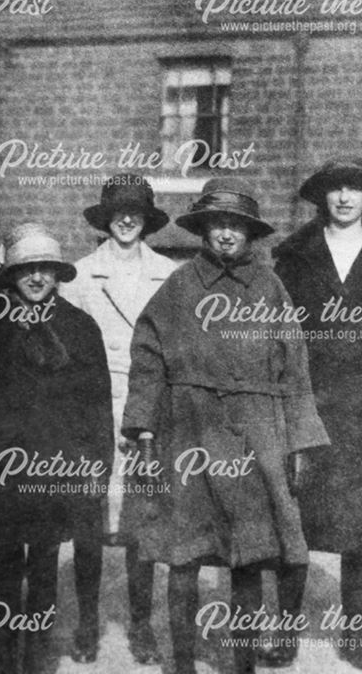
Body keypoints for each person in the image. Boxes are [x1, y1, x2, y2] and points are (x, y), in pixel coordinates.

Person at [122, 178, 329, 674]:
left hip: (256, 433)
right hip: (188, 430)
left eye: (237, 225)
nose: (227, 235)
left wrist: (299, 441)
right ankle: (183, 663)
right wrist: (144, 429)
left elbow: (295, 368)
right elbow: (148, 359)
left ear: (250, 233)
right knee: (184, 555)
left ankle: (241, 663)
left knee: (251, 556)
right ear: (203, 230)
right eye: (218, 224)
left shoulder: (270, 288)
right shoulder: (178, 287)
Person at [271, 158, 362, 673]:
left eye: (354, 189)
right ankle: (285, 631)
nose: (343, 198)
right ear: (321, 197)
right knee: (297, 519)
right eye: (334, 189)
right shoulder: (293, 255)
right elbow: (279, 333)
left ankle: (352, 633)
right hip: (310, 400)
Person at [0, 223, 114, 674]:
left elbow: (96, 404)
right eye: (26, 270)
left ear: (58, 274)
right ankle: (8, 662)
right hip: (5, 467)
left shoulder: (78, 327)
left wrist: (95, 466)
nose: (36, 279)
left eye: (45, 270)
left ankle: (38, 660)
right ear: (11, 274)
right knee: (7, 565)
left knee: (46, 565)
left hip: (57, 466)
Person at [59, 173, 176, 664]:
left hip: (147, 407)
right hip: (94, 406)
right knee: (90, 519)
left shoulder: (170, 275)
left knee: (142, 520)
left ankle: (141, 625)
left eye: (136, 212)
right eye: (117, 211)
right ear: (105, 219)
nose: (126, 219)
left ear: (147, 220)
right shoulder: (81, 275)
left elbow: (175, 348)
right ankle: (87, 624)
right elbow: (64, 348)